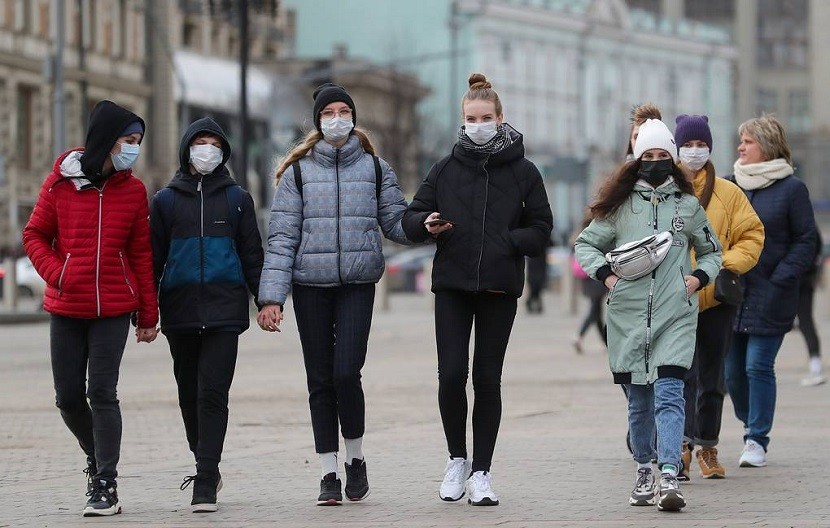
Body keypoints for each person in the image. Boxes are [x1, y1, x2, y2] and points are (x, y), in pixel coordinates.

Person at [402, 73, 553, 506]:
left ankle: (482, 473)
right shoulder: (444, 169)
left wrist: (508, 241)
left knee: (487, 379)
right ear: (462, 121)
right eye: (471, 118)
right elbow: (413, 216)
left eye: (486, 117)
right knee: (451, 375)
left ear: (501, 118)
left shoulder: (525, 172)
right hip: (452, 283)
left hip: (498, 288)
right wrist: (427, 224)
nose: (478, 124)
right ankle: (456, 460)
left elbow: (542, 230)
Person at [257, 83, 411, 505]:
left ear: (354, 117)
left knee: (347, 373)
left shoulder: (377, 169)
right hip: (310, 286)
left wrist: (422, 227)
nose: (337, 118)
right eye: (330, 112)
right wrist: (271, 297)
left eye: (345, 110)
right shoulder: (299, 173)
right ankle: (328, 472)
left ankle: (355, 458)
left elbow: (395, 222)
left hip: (358, 284)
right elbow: (282, 238)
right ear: (319, 120)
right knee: (320, 380)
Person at [575, 118, 722, 512]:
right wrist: (607, 277)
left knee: (671, 394)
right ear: (637, 161)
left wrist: (697, 278)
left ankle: (670, 475)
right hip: (628, 317)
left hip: (676, 314)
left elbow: (712, 251)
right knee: (639, 401)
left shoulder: (688, 206)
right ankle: (644, 470)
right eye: (648, 156)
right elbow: (586, 245)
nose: (656, 162)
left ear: (672, 160)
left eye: (662, 156)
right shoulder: (619, 208)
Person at [22, 100, 159, 517]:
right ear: (105, 141)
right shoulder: (59, 184)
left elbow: (140, 253)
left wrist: (148, 315)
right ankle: (96, 456)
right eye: (128, 141)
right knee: (67, 397)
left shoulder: (133, 190)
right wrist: (57, 273)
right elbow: (34, 235)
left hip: (113, 308)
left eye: (138, 142)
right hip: (66, 306)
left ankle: (106, 484)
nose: (132, 150)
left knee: (101, 392)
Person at [150, 117, 264, 513]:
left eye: (215, 143)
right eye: (200, 142)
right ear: (187, 148)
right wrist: (145, 312)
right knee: (188, 395)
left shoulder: (237, 199)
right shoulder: (165, 200)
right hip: (179, 310)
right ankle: (204, 460)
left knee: (212, 394)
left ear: (224, 152)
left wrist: (266, 301)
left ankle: (205, 477)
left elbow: (252, 255)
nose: (207, 150)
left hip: (224, 310)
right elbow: (152, 259)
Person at [672, 114, 765, 481]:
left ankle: (707, 446)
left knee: (712, 379)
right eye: (688, 144)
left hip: (715, 301)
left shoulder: (728, 193)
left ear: (710, 147)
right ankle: (678, 446)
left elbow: (752, 235)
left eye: (701, 144)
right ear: (677, 148)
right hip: (675, 300)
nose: (695, 151)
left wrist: (723, 264)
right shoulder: (666, 189)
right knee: (680, 376)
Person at [724, 114, 818, 468]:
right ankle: (750, 421)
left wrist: (784, 274)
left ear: (766, 145)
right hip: (733, 291)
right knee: (731, 372)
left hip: (773, 292)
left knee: (757, 366)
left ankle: (756, 439)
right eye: (741, 141)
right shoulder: (730, 185)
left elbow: (807, 239)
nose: (740, 147)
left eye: (747, 141)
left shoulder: (793, 189)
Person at [571, 218, 608, 354]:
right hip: (597, 278)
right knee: (595, 310)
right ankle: (579, 336)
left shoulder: (579, 237)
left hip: (586, 278)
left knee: (597, 311)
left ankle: (605, 342)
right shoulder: (598, 236)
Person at [797, 228, 825, 386]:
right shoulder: (811, 226)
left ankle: (815, 364)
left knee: (805, 322)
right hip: (805, 278)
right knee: (806, 321)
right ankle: (815, 364)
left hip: (798, 280)